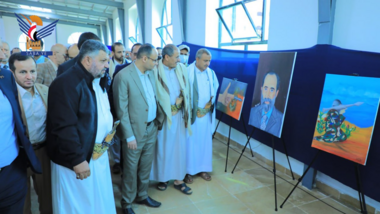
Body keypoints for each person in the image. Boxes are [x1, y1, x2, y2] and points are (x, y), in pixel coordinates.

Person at [47, 40, 116, 213]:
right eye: (103, 61)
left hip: (94, 154)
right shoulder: (66, 83)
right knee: (78, 206)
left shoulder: (94, 79)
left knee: (95, 202)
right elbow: (63, 126)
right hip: (76, 160)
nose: (107, 65)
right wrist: (77, 159)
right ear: (87, 60)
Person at [113, 43, 165, 214]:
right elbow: (122, 110)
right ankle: (127, 203)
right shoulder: (123, 76)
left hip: (151, 128)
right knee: (130, 168)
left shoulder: (150, 74)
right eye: (155, 59)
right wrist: (129, 136)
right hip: (134, 132)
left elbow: (152, 99)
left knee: (145, 165)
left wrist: (157, 122)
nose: (156, 63)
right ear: (144, 58)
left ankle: (142, 195)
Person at [0, 37, 42, 214]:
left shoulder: (4, 78)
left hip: (11, 169)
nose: (29, 76)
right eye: (23, 72)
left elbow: (15, 119)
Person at [8, 53, 52, 214]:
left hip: (43, 151)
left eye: (32, 71)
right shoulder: (8, 97)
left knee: (48, 198)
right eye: (23, 72)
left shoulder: (45, 91)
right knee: (21, 201)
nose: (29, 76)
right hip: (18, 154)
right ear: (12, 73)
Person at [150, 44, 193, 195]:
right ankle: (162, 178)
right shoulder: (155, 71)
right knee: (163, 147)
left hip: (180, 116)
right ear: (166, 57)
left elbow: (187, 90)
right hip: (164, 117)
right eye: (176, 57)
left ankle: (179, 179)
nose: (179, 59)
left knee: (179, 148)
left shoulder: (181, 68)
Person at [185, 48, 219, 183]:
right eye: (205, 60)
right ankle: (188, 171)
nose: (208, 64)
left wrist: (207, 107)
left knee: (205, 142)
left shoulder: (211, 73)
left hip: (206, 115)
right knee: (190, 143)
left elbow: (215, 89)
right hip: (192, 115)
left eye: (209, 61)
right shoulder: (187, 72)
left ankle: (203, 168)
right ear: (197, 59)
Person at [248, 71, 283, 137]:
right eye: (266, 88)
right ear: (261, 89)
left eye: (272, 90)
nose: (267, 95)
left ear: (276, 93)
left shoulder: (281, 120)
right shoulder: (252, 112)